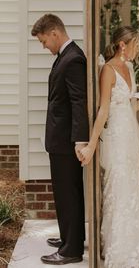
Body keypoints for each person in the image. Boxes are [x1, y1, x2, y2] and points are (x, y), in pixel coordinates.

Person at [79, 26, 139, 268]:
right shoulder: (108, 70)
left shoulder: (129, 67)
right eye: (136, 44)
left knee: (131, 187)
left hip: (129, 137)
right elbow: (103, 110)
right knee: (117, 187)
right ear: (122, 45)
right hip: (115, 138)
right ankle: (117, 244)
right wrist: (92, 145)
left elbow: (129, 107)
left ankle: (132, 240)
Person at [31, 14, 89, 265]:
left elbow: (79, 101)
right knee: (66, 192)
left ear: (55, 33)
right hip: (60, 138)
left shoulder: (73, 58)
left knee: (68, 193)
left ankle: (71, 250)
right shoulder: (65, 56)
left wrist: (79, 140)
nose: (44, 46)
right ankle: (70, 237)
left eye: (44, 41)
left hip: (66, 141)